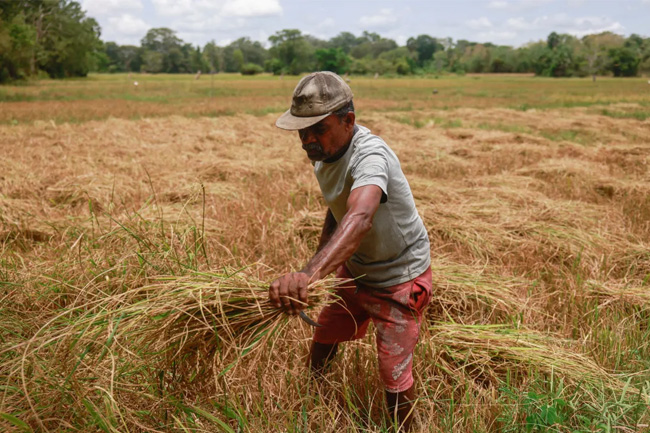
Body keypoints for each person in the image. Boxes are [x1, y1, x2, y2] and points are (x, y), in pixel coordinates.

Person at [269, 71, 431, 431]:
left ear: (349, 121)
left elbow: (359, 218)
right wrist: (317, 265)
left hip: (399, 276)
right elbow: (339, 207)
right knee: (325, 333)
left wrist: (307, 275)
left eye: (318, 128)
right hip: (358, 268)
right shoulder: (324, 152)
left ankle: (407, 427)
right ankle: (313, 400)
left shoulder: (371, 157)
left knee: (394, 373)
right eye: (302, 130)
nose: (307, 139)